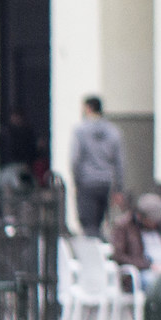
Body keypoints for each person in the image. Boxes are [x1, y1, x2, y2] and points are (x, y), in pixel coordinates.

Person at [70, 97, 124, 237]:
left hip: (87, 182)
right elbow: (119, 161)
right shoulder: (113, 131)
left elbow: (75, 158)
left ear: (88, 108)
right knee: (103, 222)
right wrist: (119, 188)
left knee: (88, 224)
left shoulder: (80, 130)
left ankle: (91, 254)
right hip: (106, 182)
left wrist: (76, 181)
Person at [108, 192, 161, 288]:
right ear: (140, 216)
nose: (154, 223)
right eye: (151, 220)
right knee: (154, 282)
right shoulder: (125, 227)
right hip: (142, 272)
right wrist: (149, 265)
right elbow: (118, 256)